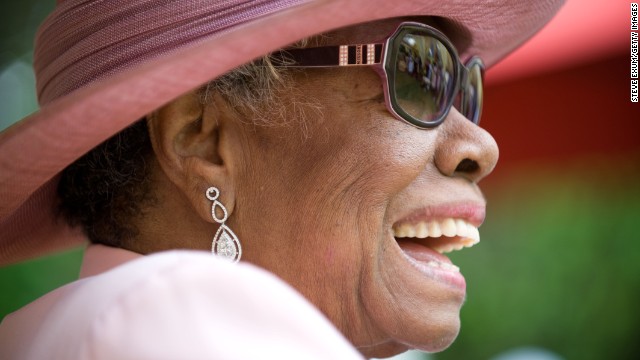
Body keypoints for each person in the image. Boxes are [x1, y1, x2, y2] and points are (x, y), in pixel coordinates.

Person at [0, 0, 564, 358]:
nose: (481, 146)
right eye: (418, 72)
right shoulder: (173, 317)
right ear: (203, 139)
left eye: (466, 87)